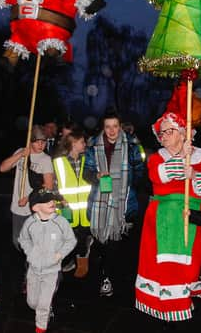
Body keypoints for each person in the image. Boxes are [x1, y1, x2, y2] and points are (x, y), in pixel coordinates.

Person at [135, 110, 201, 323]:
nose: (163, 136)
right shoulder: (157, 158)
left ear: (183, 133)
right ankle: (167, 306)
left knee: (190, 262)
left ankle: (186, 297)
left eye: (169, 131)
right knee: (163, 266)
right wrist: (183, 160)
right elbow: (159, 175)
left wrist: (195, 174)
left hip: (192, 217)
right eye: (161, 133)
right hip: (162, 218)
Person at [85, 109, 146, 297]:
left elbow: (139, 171)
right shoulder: (93, 146)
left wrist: (125, 187)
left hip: (124, 203)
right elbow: (86, 172)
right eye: (108, 127)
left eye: (115, 126)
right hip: (99, 202)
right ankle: (106, 271)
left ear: (120, 127)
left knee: (115, 242)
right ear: (103, 128)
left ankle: (107, 276)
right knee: (102, 242)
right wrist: (96, 175)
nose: (112, 131)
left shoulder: (132, 146)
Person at [18, 189, 77, 333]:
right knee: (32, 303)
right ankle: (43, 305)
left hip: (52, 271)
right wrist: (30, 252)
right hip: (33, 270)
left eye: (52, 200)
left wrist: (59, 255)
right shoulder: (30, 223)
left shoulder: (60, 222)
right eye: (46, 201)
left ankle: (40, 328)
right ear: (35, 207)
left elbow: (71, 240)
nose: (51, 203)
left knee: (43, 305)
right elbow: (23, 239)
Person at [0, 124, 55, 251]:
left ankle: (34, 267)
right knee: (17, 241)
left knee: (33, 242)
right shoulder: (21, 152)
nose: (41, 145)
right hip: (17, 208)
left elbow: (49, 186)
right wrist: (20, 155)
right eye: (37, 141)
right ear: (30, 141)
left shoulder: (45, 160)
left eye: (43, 142)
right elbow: (2, 168)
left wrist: (29, 198)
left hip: (35, 208)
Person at [52, 130, 93, 277]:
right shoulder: (58, 162)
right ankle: (66, 262)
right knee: (66, 240)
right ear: (73, 144)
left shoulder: (88, 159)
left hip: (85, 210)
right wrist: (59, 198)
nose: (84, 144)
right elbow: (54, 185)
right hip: (66, 209)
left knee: (81, 239)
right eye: (82, 142)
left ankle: (82, 265)